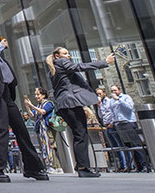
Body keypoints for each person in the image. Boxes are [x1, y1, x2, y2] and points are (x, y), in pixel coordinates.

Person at [0, 32, 47, 183]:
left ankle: (32, 168)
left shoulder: (0, 58)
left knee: (21, 130)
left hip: (7, 96)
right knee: (1, 130)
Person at [46, 46, 114, 177]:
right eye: (65, 53)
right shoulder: (61, 63)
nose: (68, 56)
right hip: (71, 103)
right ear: (57, 56)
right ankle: (83, 168)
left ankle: (81, 165)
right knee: (80, 134)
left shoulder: (54, 69)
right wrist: (104, 62)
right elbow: (79, 67)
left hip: (65, 105)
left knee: (79, 134)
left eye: (68, 53)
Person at [108, 84, 148, 172]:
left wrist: (119, 99)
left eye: (115, 90)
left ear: (119, 90)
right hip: (119, 124)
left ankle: (144, 165)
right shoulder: (111, 101)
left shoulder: (125, 97)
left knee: (136, 144)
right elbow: (113, 112)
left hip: (129, 122)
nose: (113, 92)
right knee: (127, 145)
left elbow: (130, 107)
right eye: (112, 91)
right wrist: (113, 122)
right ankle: (136, 166)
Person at [24, 87, 60, 172]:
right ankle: (51, 165)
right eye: (35, 95)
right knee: (46, 146)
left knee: (50, 145)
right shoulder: (39, 105)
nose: (36, 96)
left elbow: (43, 112)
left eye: (38, 94)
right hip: (42, 129)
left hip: (48, 128)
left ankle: (55, 166)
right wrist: (28, 107)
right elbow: (32, 115)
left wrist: (31, 105)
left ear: (43, 95)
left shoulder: (48, 103)